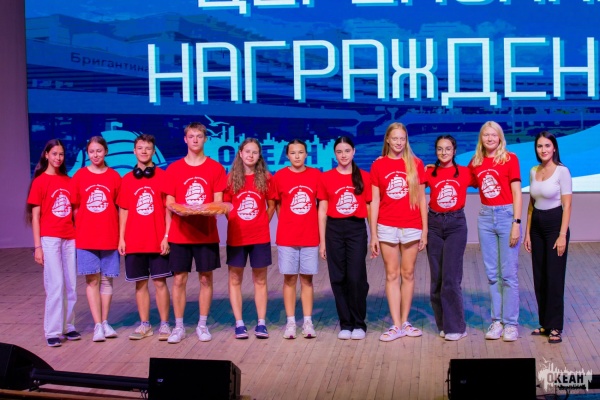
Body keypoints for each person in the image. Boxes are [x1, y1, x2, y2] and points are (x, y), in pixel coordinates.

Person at [164, 122, 226, 344]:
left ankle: (202, 325)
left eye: (199, 136)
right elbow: (169, 202)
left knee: (205, 279)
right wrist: (168, 233)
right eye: (191, 136)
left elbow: (218, 202)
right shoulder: (174, 169)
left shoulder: (216, 168)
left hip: (205, 233)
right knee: (179, 279)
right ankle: (179, 326)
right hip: (180, 234)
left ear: (205, 139)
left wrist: (201, 210)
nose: (195, 140)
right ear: (185, 139)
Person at [369, 123, 427, 342]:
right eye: (395, 138)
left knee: (408, 273)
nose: (399, 142)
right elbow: (374, 201)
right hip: (387, 226)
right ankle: (395, 325)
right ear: (387, 139)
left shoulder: (416, 163)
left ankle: (405, 321)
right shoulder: (378, 165)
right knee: (392, 275)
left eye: (402, 138)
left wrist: (425, 230)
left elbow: (422, 199)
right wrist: (374, 234)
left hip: (412, 226)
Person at [469, 121, 522, 342]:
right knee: (492, 275)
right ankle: (497, 321)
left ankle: (511, 324)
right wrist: (430, 169)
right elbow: (456, 176)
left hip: (507, 216)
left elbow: (517, 193)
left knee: (508, 274)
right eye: (486, 135)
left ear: (500, 137)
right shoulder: (476, 162)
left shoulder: (510, 159)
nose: (490, 138)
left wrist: (516, 222)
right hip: (485, 218)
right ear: (481, 138)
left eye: (493, 135)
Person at [117, 134, 172, 341]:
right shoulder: (126, 179)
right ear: (134, 151)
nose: (144, 151)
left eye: (148, 148)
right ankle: (145, 325)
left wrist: (166, 236)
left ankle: (165, 324)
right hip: (134, 241)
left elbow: (169, 210)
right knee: (139, 284)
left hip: (157, 240)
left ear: (153, 151)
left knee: (160, 283)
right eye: (140, 148)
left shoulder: (163, 176)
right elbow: (123, 210)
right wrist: (121, 238)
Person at [26, 139, 79, 347]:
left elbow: (74, 211)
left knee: (71, 284)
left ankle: (68, 326)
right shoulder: (39, 182)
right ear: (46, 154)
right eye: (54, 153)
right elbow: (35, 216)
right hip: (50, 238)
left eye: (61, 154)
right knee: (55, 284)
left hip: (69, 237)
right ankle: (53, 330)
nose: (58, 158)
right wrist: (37, 246)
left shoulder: (68, 180)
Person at [318, 136, 371, 340]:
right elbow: (322, 210)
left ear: (354, 152)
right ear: (334, 154)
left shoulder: (364, 177)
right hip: (334, 230)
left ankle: (359, 323)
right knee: (338, 277)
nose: (343, 155)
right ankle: (345, 323)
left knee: (356, 277)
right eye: (339, 152)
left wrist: (374, 235)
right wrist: (323, 241)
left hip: (356, 229)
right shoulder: (326, 177)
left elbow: (369, 207)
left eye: (347, 151)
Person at [224, 138, 276, 339]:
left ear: (259, 155)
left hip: (259, 237)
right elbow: (225, 206)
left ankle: (261, 323)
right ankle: (239, 323)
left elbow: (271, 205)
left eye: (255, 152)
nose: (251, 155)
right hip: (236, 237)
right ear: (240, 153)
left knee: (260, 280)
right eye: (247, 151)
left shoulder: (266, 178)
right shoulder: (230, 179)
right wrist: (236, 221)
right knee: (235, 278)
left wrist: (261, 222)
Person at [71, 136, 121, 342]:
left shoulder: (114, 177)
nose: (95, 155)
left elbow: (120, 208)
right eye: (91, 151)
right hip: (86, 238)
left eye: (99, 151)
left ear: (106, 151)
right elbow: (75, 207)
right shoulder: (80, 176)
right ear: (87, 153)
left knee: (107, 279)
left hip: (109, 236)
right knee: (92, 280)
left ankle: (105, 321)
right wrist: (83, 227)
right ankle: (97, 325)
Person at [523, 131, 572, 344]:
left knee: (554, 277)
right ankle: (544, 322)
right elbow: (531, 205)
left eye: (547, 146)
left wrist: (562, 235)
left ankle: (555, 327)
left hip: (555, 225)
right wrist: (527, 233)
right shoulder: (534, 171)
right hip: (537, 226)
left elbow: (567, 205)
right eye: (539, 146)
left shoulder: (562, 171)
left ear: (554, 148)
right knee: (540, 277)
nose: (543, 150)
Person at [425, 135, 473, 341]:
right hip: (434, 225)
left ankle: (457, 327)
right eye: (439, 149)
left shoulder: (465, 172)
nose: (443, 152)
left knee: (451, 278)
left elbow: (488, 175)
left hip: (456, 225)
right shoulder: (429, 172)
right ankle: (443, 324)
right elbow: (409, 181)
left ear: (454, 151)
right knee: (437, 279)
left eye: (447, 149)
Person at [273, 139, 321, 339]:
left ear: (306, 154)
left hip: (310, 236)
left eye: (301, 152)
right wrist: (288, 222)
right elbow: (277, 204)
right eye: (293, 153)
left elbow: (321, 205)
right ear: (287, 155)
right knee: (290, 279)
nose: (297, 156)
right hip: (287, 237)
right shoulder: (279, 176)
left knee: (307, 279)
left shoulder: (316, 175)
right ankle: (291, 322)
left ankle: (308, 322)